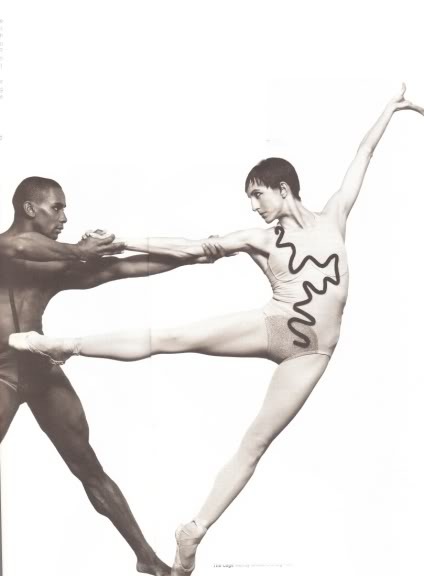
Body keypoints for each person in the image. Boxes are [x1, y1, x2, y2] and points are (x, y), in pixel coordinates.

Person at [11, 85, 424, 576]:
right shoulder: (258, 237)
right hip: (273, 326)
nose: (253, 205)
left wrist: (392, 109)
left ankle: (194, 532)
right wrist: (122, 240)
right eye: (249, 198)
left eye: (257, 194)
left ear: (283, 187)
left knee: (254, 444)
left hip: (314, 354)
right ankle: (63, 345)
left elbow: (364, 153)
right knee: (172, 337)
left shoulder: (335, 215)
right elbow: (191, 248)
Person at [1, 176, 223, 576]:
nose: (65, 217)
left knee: (88, 465)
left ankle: (146, 558)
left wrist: (193, 254)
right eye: (57, 207)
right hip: (0, 372)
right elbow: (17, 245)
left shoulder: (55, 263)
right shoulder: (6, 247)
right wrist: (78, 250)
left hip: (39, 368)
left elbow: (122, 268)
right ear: (30, 208)